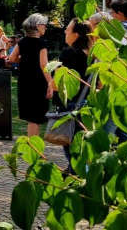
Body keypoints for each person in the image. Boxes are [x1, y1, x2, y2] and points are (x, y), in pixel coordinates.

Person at [48, 18, 92, 173]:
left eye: (68, 29)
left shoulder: (69, 53)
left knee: (71, 148)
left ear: (77, 34)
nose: (65, 31)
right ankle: (78, 174)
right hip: (87, 105)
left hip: (70, 106)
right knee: (81, 147)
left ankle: (78, 179)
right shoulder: (92, 55)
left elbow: (55, 84)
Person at [8, 13, 53, 136]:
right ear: (37, 26)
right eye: (44, 25)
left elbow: (11, 59)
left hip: (24, 81)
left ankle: (33, 148)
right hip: (37, 83)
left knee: (31, 119)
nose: (45, 27)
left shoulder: (22, 42)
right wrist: (50, 82)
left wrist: (23, 59)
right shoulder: (41, 43)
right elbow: (44, 65)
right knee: (34, 119)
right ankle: (34, 150)